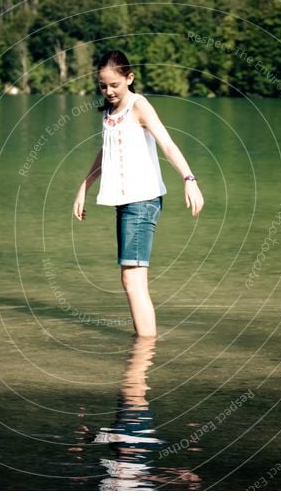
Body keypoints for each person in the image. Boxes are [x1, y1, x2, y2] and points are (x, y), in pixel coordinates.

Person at [73, 50, 204, 337]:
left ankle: (144, 354)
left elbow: (167, 143)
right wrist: (84, 187)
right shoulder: (109, 112)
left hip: (142, 202)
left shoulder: (138, 105)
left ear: (129, 78)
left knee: (133, 281)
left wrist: (189, 178)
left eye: (114, 85)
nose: (108, 91)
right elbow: (106, 152)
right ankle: (143, 350)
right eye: (103, 86)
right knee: (132, 280)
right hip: (125, 203)